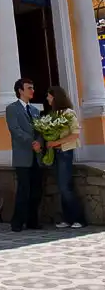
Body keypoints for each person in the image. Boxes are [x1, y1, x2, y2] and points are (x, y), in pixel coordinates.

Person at [6, 78, 43, 233]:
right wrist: (31, 142)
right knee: (24, 190)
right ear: (20, 90)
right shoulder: (12, 109)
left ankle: (32, 221)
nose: (32, 91)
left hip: (36, 156)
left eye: (32, 88)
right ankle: (17, 222)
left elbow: (40, 130)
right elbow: (15, 130)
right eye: (29, 88)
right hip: (22, 156)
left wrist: (39, 142)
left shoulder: (35, 110)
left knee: (36, 190)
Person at [46, 86, 85, 229]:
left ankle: (79, 219)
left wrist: (56, 142)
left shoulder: (69, 113)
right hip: (56, 153)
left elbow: (75, 134)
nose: (47, 99)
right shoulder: (53, 114)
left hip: (65, 153)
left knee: (65, 187)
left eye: (49, 96)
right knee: (62, 187)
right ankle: (68, 219)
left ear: (55, 97)